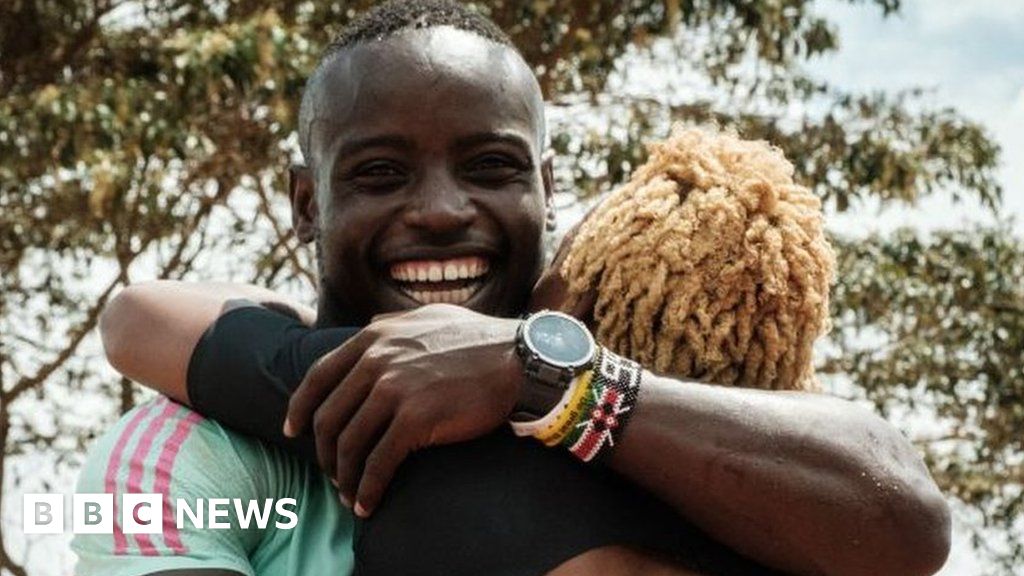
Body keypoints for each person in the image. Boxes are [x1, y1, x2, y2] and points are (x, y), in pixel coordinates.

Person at [76, 2, 952, 576]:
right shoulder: (186, 451)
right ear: (306, 203)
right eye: (380, 172)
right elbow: (138, 319)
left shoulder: (672, 420)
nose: (440, 211)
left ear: (546, 187)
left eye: (490, 166)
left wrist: (545, 377)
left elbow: (906, 519)